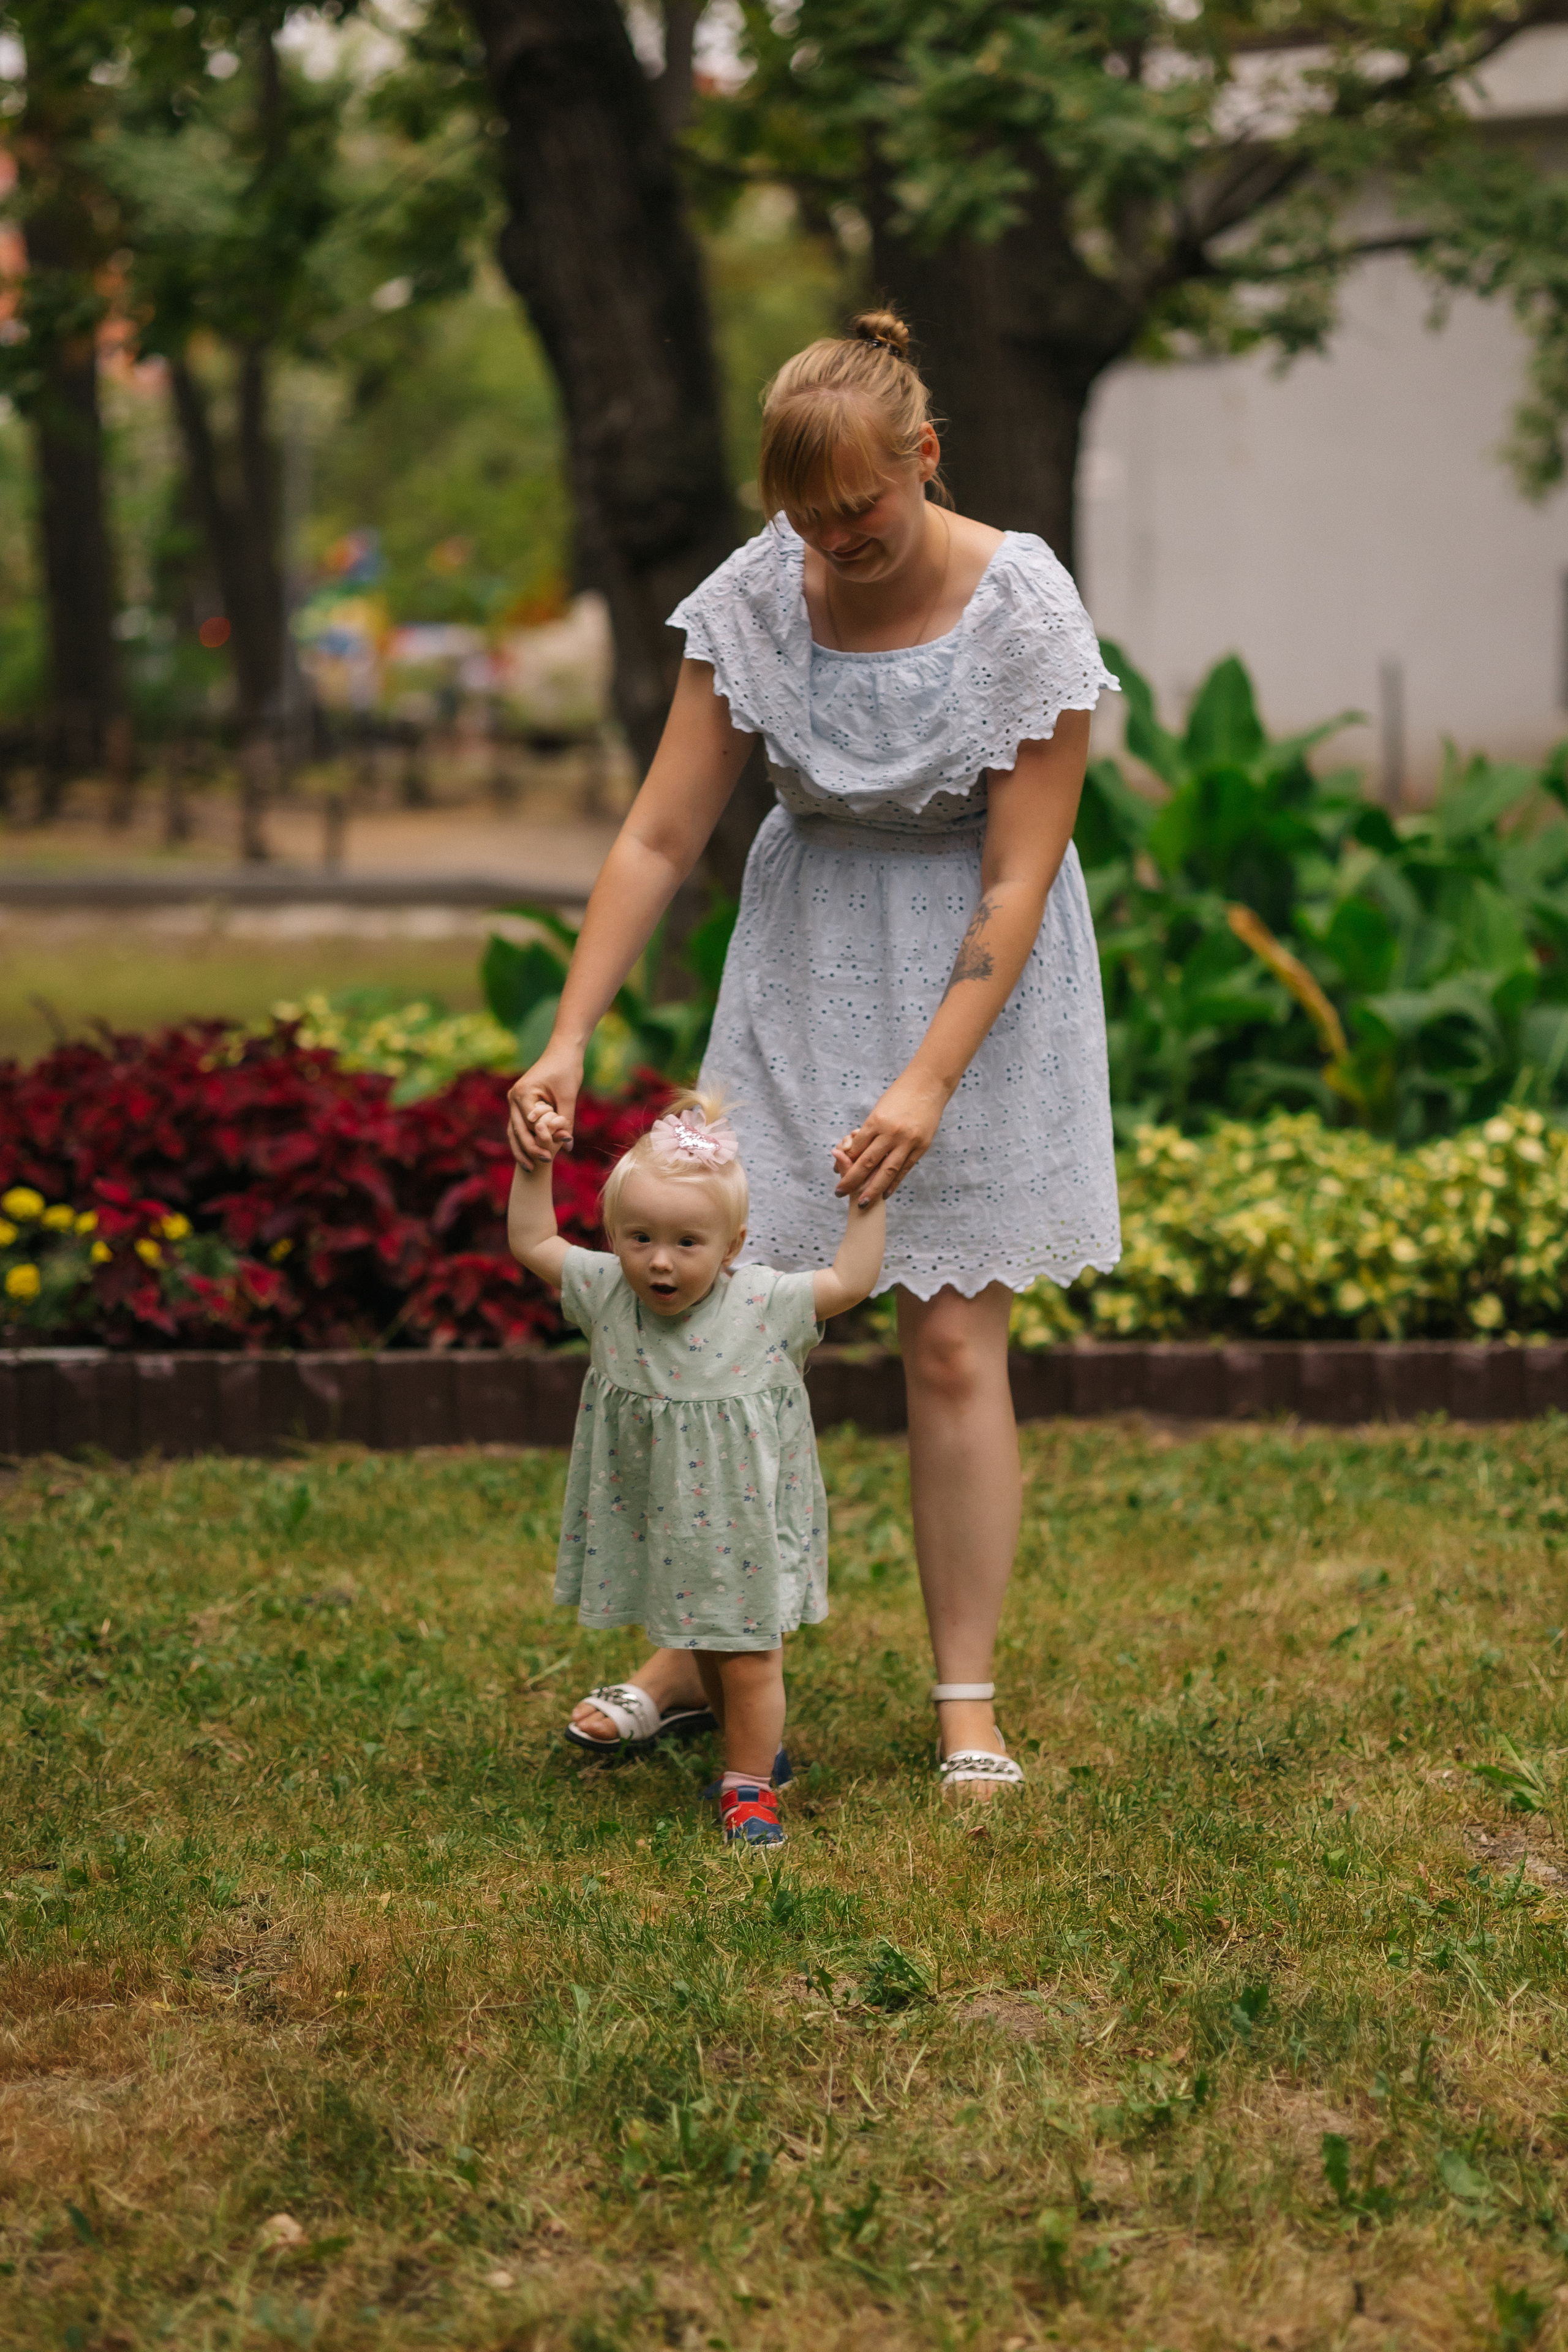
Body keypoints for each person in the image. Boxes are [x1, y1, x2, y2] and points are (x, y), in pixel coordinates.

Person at [508, 309, 1120, 1801]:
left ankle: (963, 1697)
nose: (836, 542)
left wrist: (924, 1081)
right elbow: (662, 827)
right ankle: (695, 1655)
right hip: (798, 964)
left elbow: (1016, 883)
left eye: (862, 509)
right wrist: (570, 1029)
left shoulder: (1019, 604)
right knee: (713, 1330)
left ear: (924, 454)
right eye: (806, 519)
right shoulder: (758, 596)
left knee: (952, 1346)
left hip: (980, 989)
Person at [508, 1090, 886, 1847]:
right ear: (612, 1235)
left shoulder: (764, 1304)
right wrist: (534, 1164)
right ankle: (752, 1753)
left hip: (740, 1523)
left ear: (733, 1243)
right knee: (708, 1643)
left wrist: (867, 1200)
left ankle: (750, 1786)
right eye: (639, 1237)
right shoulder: (608, 1291)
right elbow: (532, 1242)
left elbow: (850, 1283)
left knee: (745, 1654)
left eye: (687, 1242)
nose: (659, 1261)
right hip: (663, 1517)